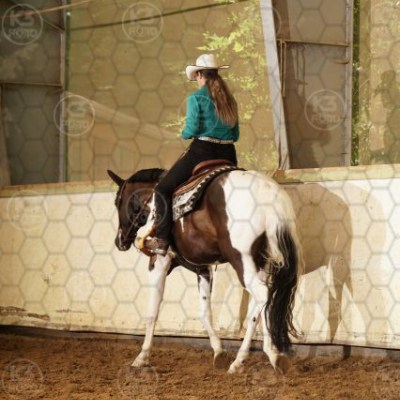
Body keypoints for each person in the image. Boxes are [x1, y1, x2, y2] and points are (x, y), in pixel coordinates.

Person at [147, 54, 240, 256]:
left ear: (199, 75)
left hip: (203, 152)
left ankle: (162, 240)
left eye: (196, 76)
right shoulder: (230, 100)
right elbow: (235, 135)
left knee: (162, 189)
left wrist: (184, 133)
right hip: (228, 154)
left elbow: (191, 129)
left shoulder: (196, 98)